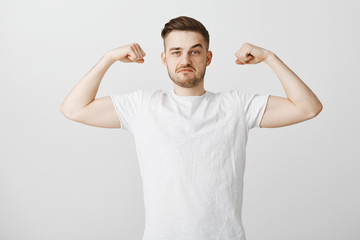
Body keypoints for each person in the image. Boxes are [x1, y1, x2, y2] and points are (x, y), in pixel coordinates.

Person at [60, 16, 322, 240]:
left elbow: (308, 107)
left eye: (194, 51)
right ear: (164, 58)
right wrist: (109, 58)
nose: (185, 59)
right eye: (176, 51)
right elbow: (74, 108)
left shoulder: (235, 105)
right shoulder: (142, 106)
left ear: (208, 58)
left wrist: (269, 57)